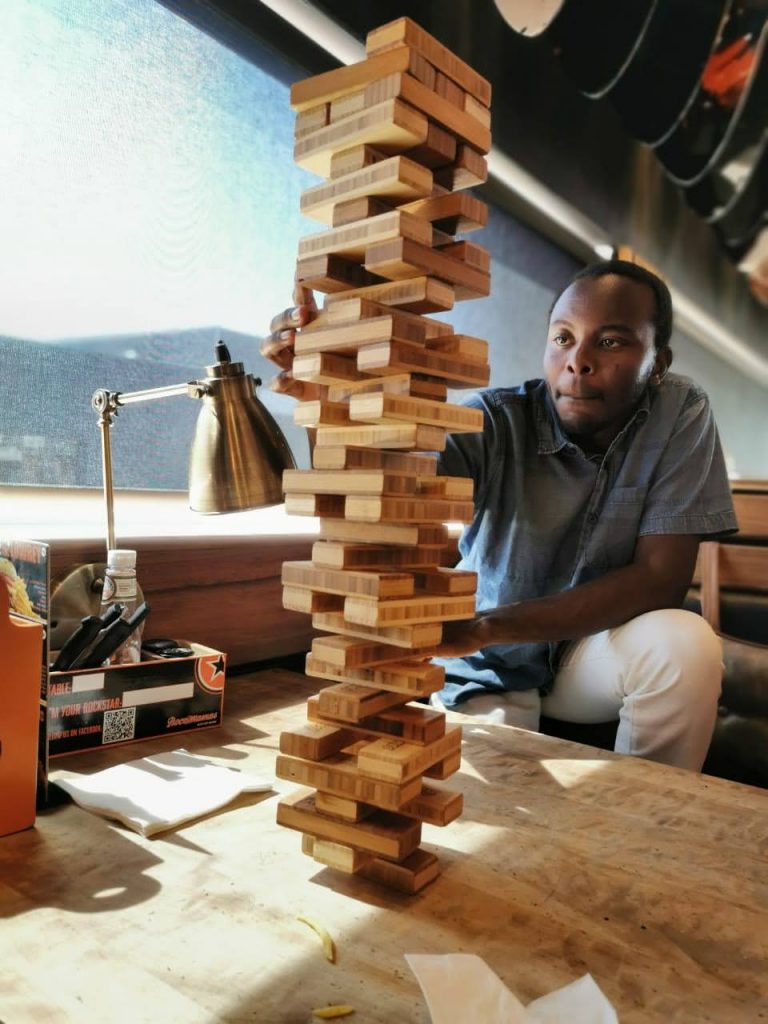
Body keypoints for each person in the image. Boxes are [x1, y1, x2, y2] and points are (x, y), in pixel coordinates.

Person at [263, 259, 737, 771]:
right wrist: (324, 397)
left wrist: (489, 625)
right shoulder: (493, 419)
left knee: (686, 643)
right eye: (563, 338)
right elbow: (372, 495)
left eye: (610, 341)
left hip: (587, 655)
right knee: (489, 819)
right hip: (489, 667)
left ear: (657, 362)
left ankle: (652, 823)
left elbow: (660, 580)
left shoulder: (680, 411)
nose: (578, 361)